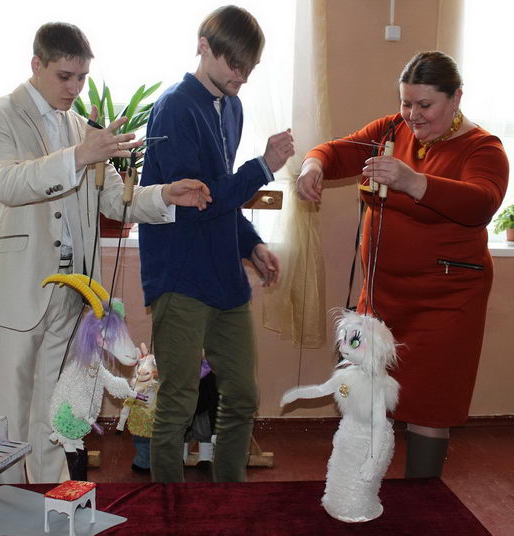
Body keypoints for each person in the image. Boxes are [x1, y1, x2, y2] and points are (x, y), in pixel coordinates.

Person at [0, 22, 211, 484]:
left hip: (71, 293)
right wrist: (79, 156)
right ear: (36, 64)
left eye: (81, 78)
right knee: (8, 415)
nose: (75, 88)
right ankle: (6, 508)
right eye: (65, 76)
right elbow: (6, 183)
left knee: (54, 411)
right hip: (15, 290)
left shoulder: (81, 128)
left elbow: (116, 200)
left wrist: (166, 195)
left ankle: (52, 503)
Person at [297, 51, 508, 478]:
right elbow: (333, 151)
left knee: (428, 402)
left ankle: (423, 499)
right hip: (381, 296)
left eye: (424, 104)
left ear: (456, 98)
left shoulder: (483, 148)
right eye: (406, 102)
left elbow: (481, 202)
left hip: (445, 301)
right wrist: (312, 166)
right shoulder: (391, 130)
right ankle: (356, 489)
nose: (412, 115)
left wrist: (412, 181)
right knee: (365, 393)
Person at [138, 5, 294, 483]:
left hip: (224, 276)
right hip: (180, 274)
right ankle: (167, 508)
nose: (242, 77)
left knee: (243, 395)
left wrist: (250, 244)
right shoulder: (174, 107)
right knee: (178, 401)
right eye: (235, 64)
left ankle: (230, 499)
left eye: (250, 68)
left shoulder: (232, 106)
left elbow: (223, 197)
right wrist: (262, 167)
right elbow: (199, 199)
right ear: (204, 47)